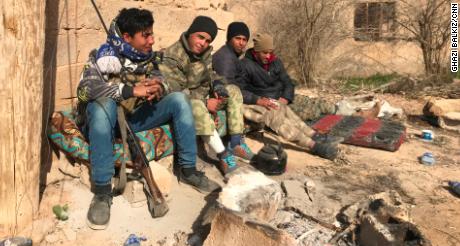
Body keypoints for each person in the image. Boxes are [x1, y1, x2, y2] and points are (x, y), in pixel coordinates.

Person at [76, 8, 218, 230]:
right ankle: (103, 192)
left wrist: (157, 87)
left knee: (179, 99)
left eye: (152, 34)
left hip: (134, 119)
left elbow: (163, 78)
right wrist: (129, 91)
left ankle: (188, 169)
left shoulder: (147, 58)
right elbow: (85, 90)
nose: (152, 40)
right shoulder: (101, 56)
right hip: (106, 124)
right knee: (102, 105)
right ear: (127, 37)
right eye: (146, 35)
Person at [159, 16, 254, 175]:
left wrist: (218, 85)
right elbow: (176, 93)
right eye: (200, 37)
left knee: (233, 90)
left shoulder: (204, 53)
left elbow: (212, 74)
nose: (203, 43)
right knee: (195, 105)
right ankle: (223, 155)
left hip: (205, 98)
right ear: (190, 33)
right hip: (183, 104)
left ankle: (235, 143)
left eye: (207, 40)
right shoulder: (173, 56)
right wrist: (205, 102)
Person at [235, 33, 341, 160]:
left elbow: (288, 82)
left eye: (270, 52)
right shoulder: (244, 65)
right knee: (277, 117)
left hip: (278, 99)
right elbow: (239, 91)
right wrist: (259, 100)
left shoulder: (276, 62)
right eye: (264, 53)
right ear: (256, 51)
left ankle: (314, 135)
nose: (268, 56)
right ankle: (313, 146)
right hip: (257, 102)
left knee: (292, 111)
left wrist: (285, 97)